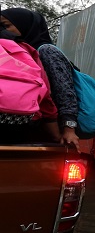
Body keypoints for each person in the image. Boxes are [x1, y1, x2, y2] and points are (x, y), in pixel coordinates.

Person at [0, 8, 80, 150]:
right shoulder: (12, 52)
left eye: (6, 25)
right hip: (32, 123)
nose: (3, 30)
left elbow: (65, 91)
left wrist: (69, 128)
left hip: (53, 127)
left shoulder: (45, 50)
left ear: (25, 25)